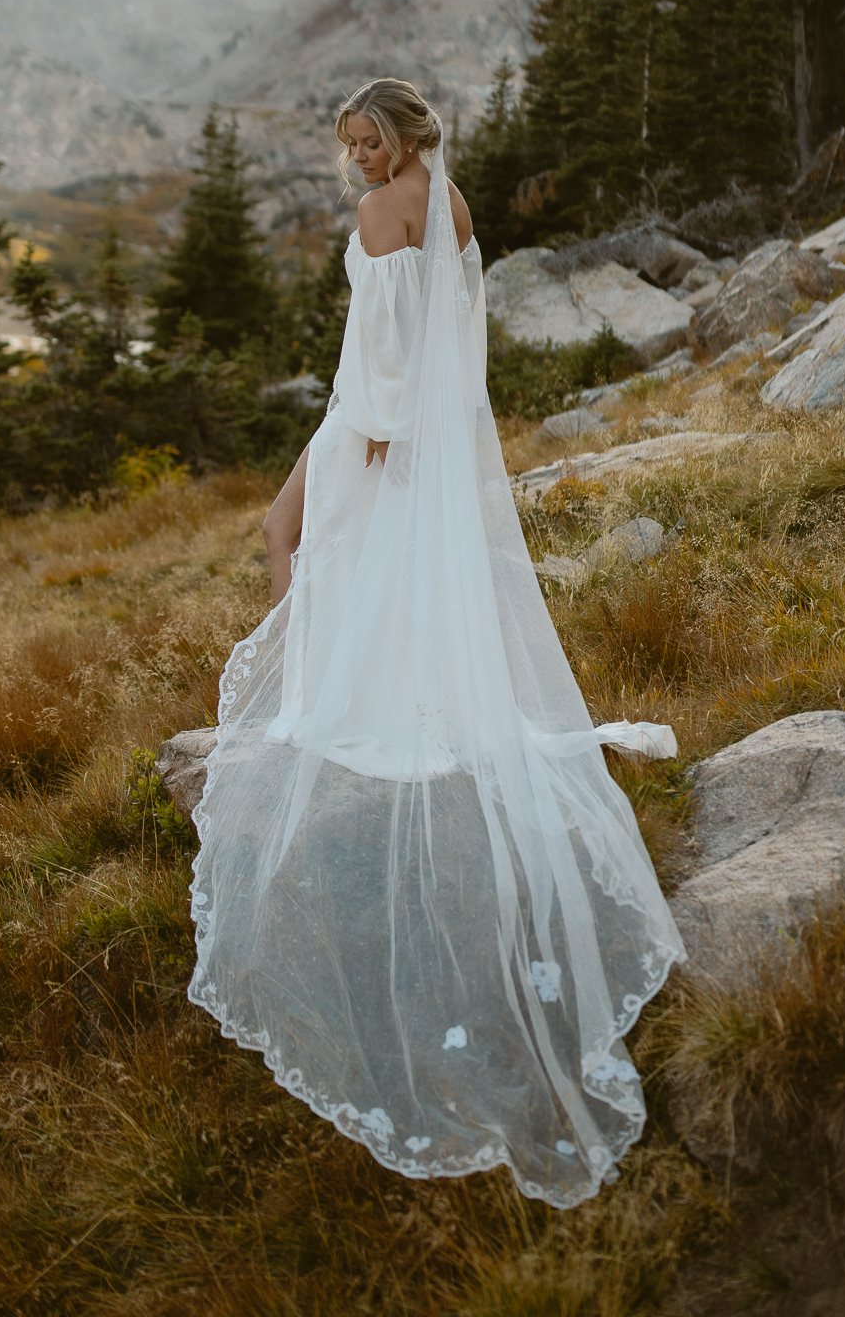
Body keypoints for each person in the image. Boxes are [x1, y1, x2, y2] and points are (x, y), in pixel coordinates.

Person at [186, 78, 684, 1209]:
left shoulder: (382, 214)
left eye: (370, 140)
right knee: (357, 567)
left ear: (405, 134)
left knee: (287, 535)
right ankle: (350, 683)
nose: (358, 159)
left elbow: (384, 340)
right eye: (349, 145)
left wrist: (368, 435)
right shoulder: (449, 204)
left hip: (373, 422)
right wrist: (422, 438)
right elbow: (454, 326)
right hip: (421, 432)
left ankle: (319, 696)